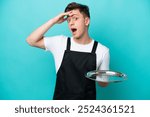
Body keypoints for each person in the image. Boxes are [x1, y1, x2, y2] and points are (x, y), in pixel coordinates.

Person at [26, 2, 110, 100]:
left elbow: (103, 84)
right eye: (68, 20)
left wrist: (100, 76)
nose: (71, 23)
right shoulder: (60, 43)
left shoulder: (102, 51)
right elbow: (31, 40)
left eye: (75, 18)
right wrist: (53, 21)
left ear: (86, 21)